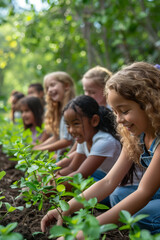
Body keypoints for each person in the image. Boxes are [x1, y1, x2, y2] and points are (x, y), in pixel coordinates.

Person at [41, 62, 160, 237]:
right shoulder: (137, 136)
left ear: (150, 105)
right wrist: (64, 208)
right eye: (115, 112)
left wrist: (84, 233)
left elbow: (143, 192)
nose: (119, 120)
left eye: (125, 111)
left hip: (151, 191)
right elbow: (108, 181)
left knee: (138, 214)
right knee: (118, 196)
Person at [55, 95, 121, 193]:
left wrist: (51, 184)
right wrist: (53, 176)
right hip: (106, 177)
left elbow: (80, 174)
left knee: (79, 185)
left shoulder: (104, 141)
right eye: (68, 125)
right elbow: (72, 168)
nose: (71, 130)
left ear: (94, 120)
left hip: (121, 186)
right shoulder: (84, 139)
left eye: (76, 124)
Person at [33, 71, 75, 160]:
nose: (49, 90)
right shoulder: (59, 110)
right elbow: (56, 137)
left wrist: (40, 150)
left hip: (71, 157)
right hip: (64, 156)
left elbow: (67, 141)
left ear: (66, 86)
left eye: (52, 85)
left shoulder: (72, 109)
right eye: (47, 88)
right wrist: (37, 147)